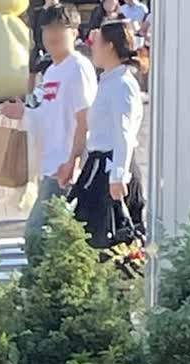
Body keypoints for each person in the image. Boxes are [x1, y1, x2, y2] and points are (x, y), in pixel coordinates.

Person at [2, 4, 97, 247]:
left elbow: (85, 119)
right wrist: (23, 112)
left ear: (74, 32)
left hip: (65, 166)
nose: (52, 34)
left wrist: (74, 161)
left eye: (59, 28)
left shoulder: (78, 67)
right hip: (50, 164)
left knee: (36, 234)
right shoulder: (52, 71)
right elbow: (44, 114)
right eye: (46, 28)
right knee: (59, 238)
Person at [71, 17, 146, 251]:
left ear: (109, 46)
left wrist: (118, 176)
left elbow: (124, 132)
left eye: (96, 43)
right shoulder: (109, 81)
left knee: (111, 238)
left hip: (111, 167)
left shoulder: (122, 85)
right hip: (100, 165)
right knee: (91, 236)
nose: (92, 48)